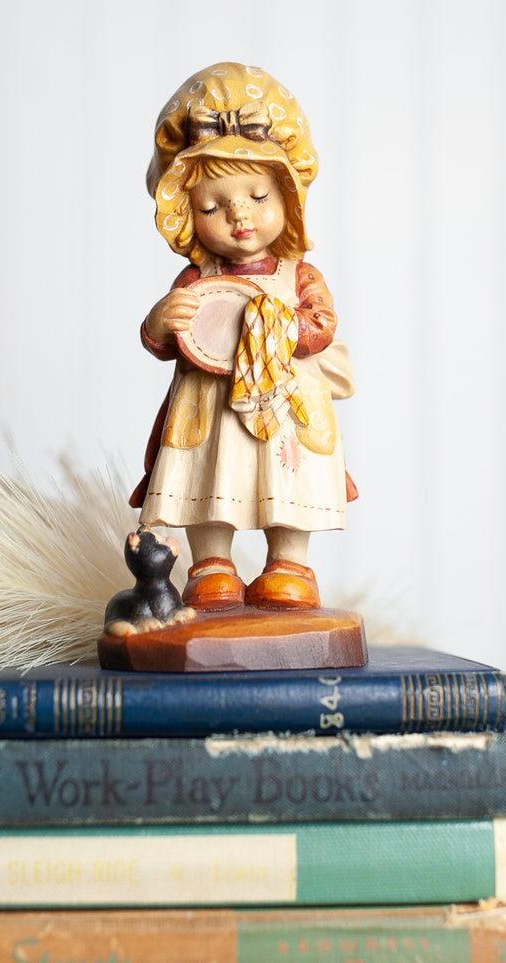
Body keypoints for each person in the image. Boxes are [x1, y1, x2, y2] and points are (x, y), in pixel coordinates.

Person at [130, 63, 355, 611]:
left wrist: (279, 323)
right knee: (210, 478)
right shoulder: (198, 279)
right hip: (208, 404)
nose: (239, 217)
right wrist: (161, 322)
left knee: (288, 482)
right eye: (212, 206)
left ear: (288, 196)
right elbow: (166, 342)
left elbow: (320, 326)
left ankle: (288, 565)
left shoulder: (297, 275)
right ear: (186, 214)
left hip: (284, 402)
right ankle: (212, 565)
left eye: (257, 197)